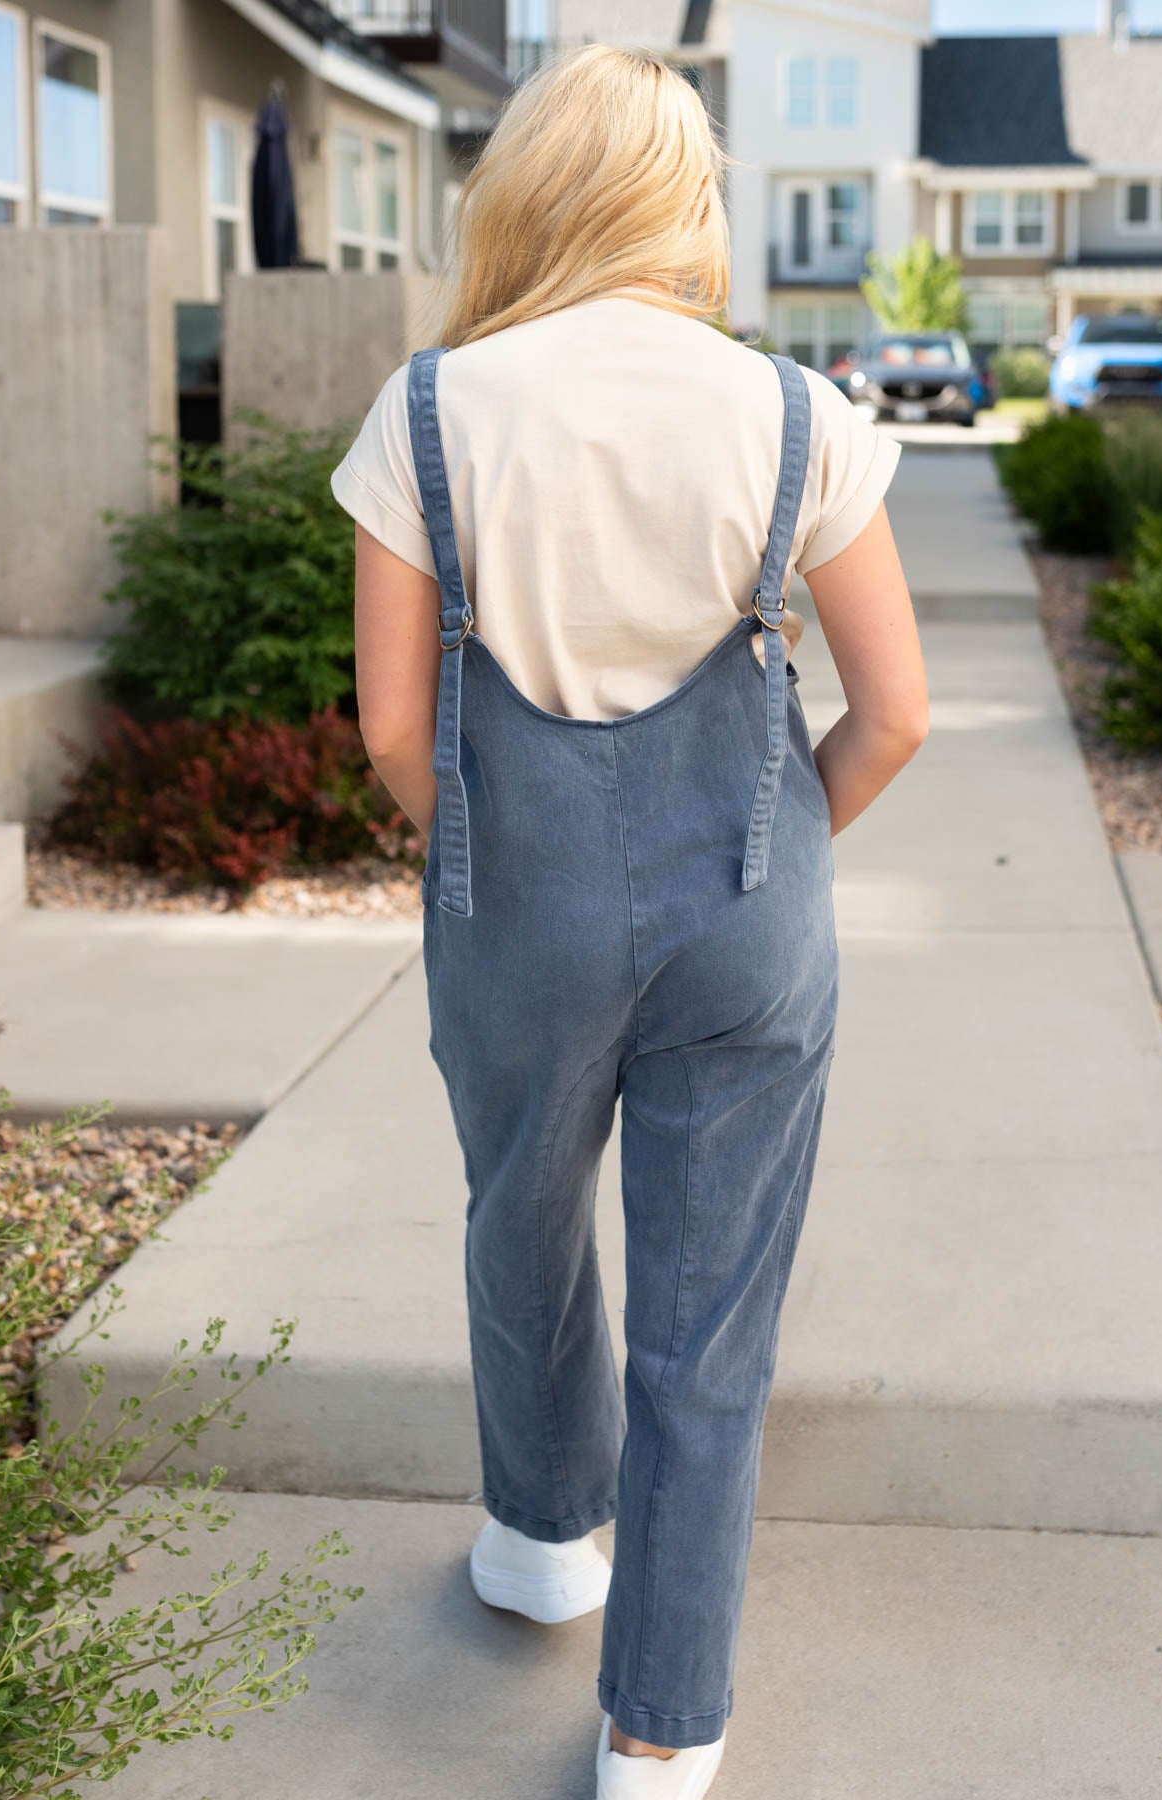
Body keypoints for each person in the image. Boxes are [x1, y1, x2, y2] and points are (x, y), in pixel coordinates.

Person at [331, 42, 928, 1800]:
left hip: (512, 906)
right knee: (709, 1313)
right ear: (687, 203)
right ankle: (660, 1733)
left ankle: (539, 1546)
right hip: (746, 912)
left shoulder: (429, 409)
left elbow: (381, 727)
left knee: (519, 1220)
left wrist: (504, 857)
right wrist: (769, 849)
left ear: (522, 188)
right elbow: (891, 712)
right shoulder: (794, 414)